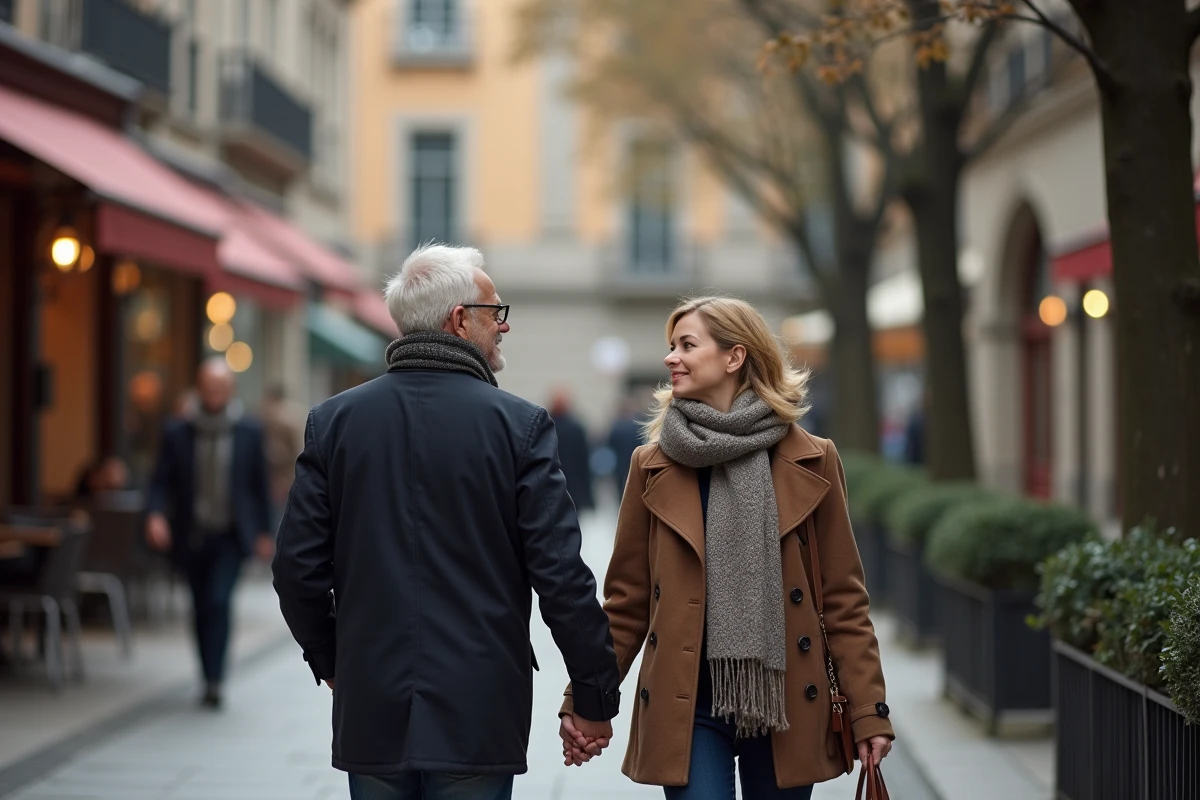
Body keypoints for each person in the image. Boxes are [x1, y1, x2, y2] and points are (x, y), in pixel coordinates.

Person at [272, 243, 621, 800]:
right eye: (495, 313)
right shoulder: (519, 427)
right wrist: (594, 696)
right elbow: (560, 575)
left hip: (372, 701)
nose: (503, 328)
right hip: (477, 707)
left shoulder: (334, 422)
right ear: (460, 320)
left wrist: (333, 657)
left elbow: (295, 568)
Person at [557, 297, 894, 799]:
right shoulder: (651, 464)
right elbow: (627, 605)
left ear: (735, 357)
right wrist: (585, 699)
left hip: (784, 702)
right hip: (686, 703)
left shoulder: (813, 460)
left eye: (687, 345)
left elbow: (843, 601)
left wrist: (869, 711)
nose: (671, 357)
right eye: (671, 346)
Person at [145, 358, 274, 710]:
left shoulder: (248, 430)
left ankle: (216, 679)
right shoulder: (178, 431)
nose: (215, 394)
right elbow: (160, 480)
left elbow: (258, 485)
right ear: (199, 389)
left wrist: (265, 531)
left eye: (221, 388)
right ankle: (206, 674)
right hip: (192, 536)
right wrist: (155, 514)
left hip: (231, 537)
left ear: (230, 390)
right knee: (200, 606)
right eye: (209, 387)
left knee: (219, 601)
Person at [261, 384, 303, 528]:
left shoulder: (284, 419)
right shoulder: (266, 417)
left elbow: (295, 453)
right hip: (275, 479)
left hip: (282, 480)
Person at [548, 388, 595, 513]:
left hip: (554, 483)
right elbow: (584, 460)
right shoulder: (576, 427)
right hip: (571, 485)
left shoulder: (545, 424)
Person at [606, 395, 646, 502]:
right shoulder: (637, 426)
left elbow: (610, 443)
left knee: (620, 485)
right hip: (634, 460)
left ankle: (621, 503)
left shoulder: (616, 425)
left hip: (619, 461)